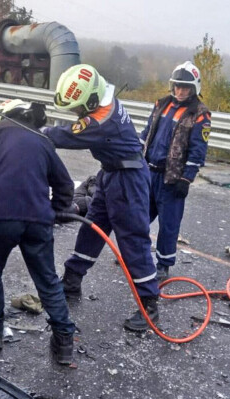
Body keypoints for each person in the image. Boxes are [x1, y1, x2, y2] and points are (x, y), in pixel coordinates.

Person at [0, 99, 77, 364]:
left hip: (1, 215)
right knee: (46, 278)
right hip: (38, 219)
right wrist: (53, 212)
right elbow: (66, 185)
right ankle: (64, 342)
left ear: (4, 115)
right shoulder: (43, 141)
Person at [43, 64, 160, 331]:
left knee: (133, 240)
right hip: (111, 174)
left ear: (92, 98)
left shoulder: (101, 122)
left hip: (129, 180)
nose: (77, 113)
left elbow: (68, 135)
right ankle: (72, 280)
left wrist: (41, 132)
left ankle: (149, 304)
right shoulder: (104, 102)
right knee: (92, 228)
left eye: (78, 108)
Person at [141, 61, 211, 282]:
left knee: (169, 226)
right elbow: (146, 133)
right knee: (139, 218)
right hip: (148, 173)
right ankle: (137, 256)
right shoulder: (161, 104)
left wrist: (186, 179)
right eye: (178, 86)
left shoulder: (200, 114)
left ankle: (163, 265)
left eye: (186, 87)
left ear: (194, 88)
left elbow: (198, 150)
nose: (180, 91)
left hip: (171, 180)